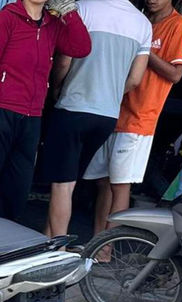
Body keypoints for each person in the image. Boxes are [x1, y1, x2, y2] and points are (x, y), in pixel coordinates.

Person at [0, 0, 91, 223]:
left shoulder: (52, 25)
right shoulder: (6, 19)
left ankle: (1, 251)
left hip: (32, 119)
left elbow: (81, 47)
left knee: (16, 193)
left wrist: (69, 13)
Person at [42, 0, 152, 237]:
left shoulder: (84, 9)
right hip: (107, 117)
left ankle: (57, 250)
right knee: (70, 182)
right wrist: (110, 94)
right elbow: (135, 79)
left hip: (73, 108)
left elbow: (64, 61)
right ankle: (47, 237)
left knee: (63, 185)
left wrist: (56, 88)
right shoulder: (143, 24)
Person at [85, 0, 182, 236]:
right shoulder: (139, 19)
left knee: (120, 185)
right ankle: (96, 242)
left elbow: (176, 74)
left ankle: (107, 249)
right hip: (112, 109)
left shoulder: (178, 25)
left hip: (140, 118)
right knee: (102, 182)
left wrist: (144, 50)